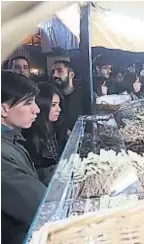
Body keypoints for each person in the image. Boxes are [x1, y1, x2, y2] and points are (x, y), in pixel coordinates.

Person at [1, 71, 46, 244]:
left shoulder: (11, 139)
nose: (37, 109)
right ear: (3, 108)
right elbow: (40, 208)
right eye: (28, 103)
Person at [23, 82, 67, 185]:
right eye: (53, 105)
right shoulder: (28, 137)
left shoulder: (59, 130)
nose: (59, 109)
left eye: (59, 105)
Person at [51, 60, 84, 131]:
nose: (54, 75)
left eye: (59, 71)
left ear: (71, 75)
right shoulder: (51, 97)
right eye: (53, 72)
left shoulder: (84, 95)